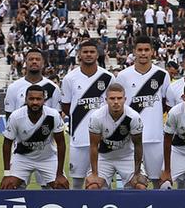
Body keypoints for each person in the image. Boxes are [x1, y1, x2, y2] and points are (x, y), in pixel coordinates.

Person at [60, 39, 114, 189]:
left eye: (92, 52)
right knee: (77, 182)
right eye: (85, 52)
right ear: (79, 55)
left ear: (98, 55)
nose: (88, 54)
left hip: (104, 139)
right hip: (79, 138)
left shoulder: (108, 77)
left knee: (103, 183)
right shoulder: (70, 78)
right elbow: (66, 106)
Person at [116, 35, 169, 184]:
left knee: (158, 182)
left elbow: (165, 103)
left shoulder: (162, 75)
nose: (143, 53)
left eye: (147, 50)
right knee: (132, 182)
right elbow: (118, 104)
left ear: (152, 51)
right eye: (140, 50)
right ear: (134, 52)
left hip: (155, 138)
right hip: (131, 139)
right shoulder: (123, 76)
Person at [0, 85, 69, 189]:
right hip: (22, 158)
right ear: (26, 99)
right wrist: (6, 174)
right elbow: (7, 143)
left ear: (44, 100)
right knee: (8, 186)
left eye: (38, 99)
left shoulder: (53, 115)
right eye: (31, 99)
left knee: (61, 186)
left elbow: (61, 144)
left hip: (47, 158)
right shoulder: (16, 116)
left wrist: (59, 173)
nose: (35, 102)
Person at [86, 83, 147, 189]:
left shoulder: (133, 117)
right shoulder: (97, 117)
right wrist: (95, 174)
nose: (116, 102)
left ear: (125, 99)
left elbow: (138, 145)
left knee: (140, 186)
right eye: (112, 98)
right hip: (104, 158)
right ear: (106, 100)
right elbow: (93, 146)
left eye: (119, 98)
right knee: (93, 187)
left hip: (127, 157)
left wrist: (137, 173)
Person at [4, 48, 61, 115]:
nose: (34, 61)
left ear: (43, 63)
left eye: (37, 59)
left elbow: (57, 117)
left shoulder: (53, 88)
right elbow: (9, 117)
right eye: (31, 59)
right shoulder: (13, 87)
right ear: (25, 62)